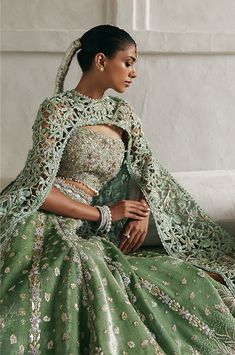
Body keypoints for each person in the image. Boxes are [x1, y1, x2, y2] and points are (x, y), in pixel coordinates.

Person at [0, 24, 234, 355]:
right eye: (128, 62)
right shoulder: (57, 109)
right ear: (100, 60)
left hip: (89, 227)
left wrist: (142, 213)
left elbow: (146, 169)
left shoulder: (122, 114)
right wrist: (105, 214)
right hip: (44, 220)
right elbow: (38, 188)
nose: (134, 72)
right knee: (72, 263)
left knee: (172, 277)